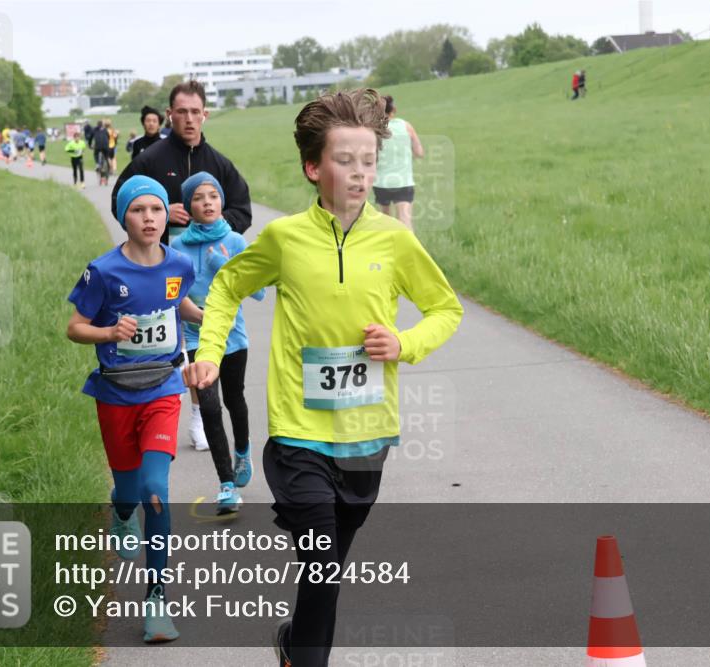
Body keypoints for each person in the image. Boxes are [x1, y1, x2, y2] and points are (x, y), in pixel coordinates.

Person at [187, 88, 463, 667]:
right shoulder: (285, 239)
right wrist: (210, 353)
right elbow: (227, 288)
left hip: (367, 432)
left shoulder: (394, 239)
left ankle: (294, 645)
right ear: (314, 168)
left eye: (368, 161)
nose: (361, 174)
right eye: (346, 161)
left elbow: (446, 310)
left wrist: (404, 343)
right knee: (321, 556)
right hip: (299, 432)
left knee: (328, 569)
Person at [66, 175, 203, 644]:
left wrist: (214, 316)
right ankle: (120, 513)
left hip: (164, 388)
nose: (149, 218)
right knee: (127, 490)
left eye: (157, 210)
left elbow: (177, 302)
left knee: (154, 488)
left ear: (168, 215)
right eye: (139, 210)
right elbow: (74, 327)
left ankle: (157, 601)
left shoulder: (179, 263)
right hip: (116, 394)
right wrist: (109, 334)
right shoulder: (103, 272)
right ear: (123, 216)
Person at [172, 172, 264, 512]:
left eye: (213, 196)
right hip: (197, 335)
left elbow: (258, 292)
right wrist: (188, 311)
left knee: (234, 398)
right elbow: (172, 291)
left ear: (222, 201)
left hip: (232, 336)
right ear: (188, 205)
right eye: (199, 197)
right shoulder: (177, 247)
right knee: (208, 405)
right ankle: (226, 484)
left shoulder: (236, 241)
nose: (207, 202)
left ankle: (242, 452)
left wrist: (224, 265)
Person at [112, 80, 253, 245]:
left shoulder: (221, 165)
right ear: (169, 115)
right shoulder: (148, 161)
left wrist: (218, 220)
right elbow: (119, 202)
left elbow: (242, 211)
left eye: (195, 112)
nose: (189, 119)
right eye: (182, 112)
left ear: (204, 115)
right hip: (159, 262)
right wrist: (161, 214)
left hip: (211, 263)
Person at [373, 95, 424, 231]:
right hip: (403, 182)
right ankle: (409, 251)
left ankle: (388, 250)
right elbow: (419, 152)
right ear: (393, 109)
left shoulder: (374, 130)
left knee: (385, 222)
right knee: (405, 221)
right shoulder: (406, 126)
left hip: (381, 183)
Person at [92, 121, 111, 185]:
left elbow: (90, 137)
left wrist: (89, 144)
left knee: (95, 154)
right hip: (106, 147)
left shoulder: (94, 129)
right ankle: (109, 168)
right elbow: (108, 137)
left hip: (97, 147)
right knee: (107, 157)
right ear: (102, 125)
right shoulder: (105, 130)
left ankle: (97, 164)